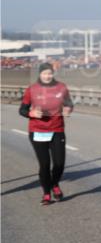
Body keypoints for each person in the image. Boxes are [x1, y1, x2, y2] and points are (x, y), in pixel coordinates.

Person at [19, 62, 73, 205]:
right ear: (40, 74)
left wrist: (68, 110)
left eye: (50, 73)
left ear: (53, 74)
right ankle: (46, 193)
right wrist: (31, 113)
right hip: (38, 130)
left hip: (57, 129)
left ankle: (55, 184)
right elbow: (22, 110)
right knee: (44, 165)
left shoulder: (61, 87)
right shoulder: (32, 89)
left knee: (59, 164)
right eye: (44, 73)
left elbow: (69, 103)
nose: (47, 76)